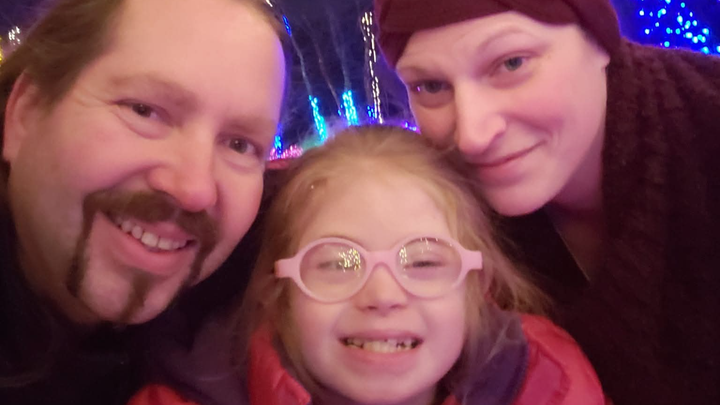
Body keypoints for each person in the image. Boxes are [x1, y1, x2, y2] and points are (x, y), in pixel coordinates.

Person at [373, 0, 720, 404]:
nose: (471, 135)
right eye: (430, 86)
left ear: (599, 40)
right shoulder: (438, 226)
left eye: (512, 63)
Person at [129, 125, 607, 405]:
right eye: (338, 263)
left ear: (477, 288)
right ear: (279, 293)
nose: (382, 297)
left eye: (423, 261)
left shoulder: (550, 383)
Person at [0, 0, 287, 403]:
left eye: (240, 145)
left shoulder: (247, 310)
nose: (195, 189)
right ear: (25, 113)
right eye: (144, 111)